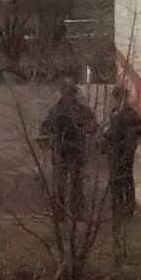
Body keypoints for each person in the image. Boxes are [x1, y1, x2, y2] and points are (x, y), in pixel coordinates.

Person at [40, 78, 98, 221]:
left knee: (60, 183)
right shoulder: (82, 108)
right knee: (77, 183)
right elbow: (93, 126)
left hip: (61, 151)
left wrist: (49, 138)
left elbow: (45, 128)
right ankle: (77, 212)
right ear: (75, 93)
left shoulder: (56, 109)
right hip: (77, 150)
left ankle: (60, 214)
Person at [105, 85, 141, 220]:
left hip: (123, 153)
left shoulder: (129, 115)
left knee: (125, 180)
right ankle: (119, 207)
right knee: (117, 181)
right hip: (116, 152)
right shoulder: (116, 112)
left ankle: (127, 209)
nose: (114, 101)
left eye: (115, 98)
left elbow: (132, 135)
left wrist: (126, 154)